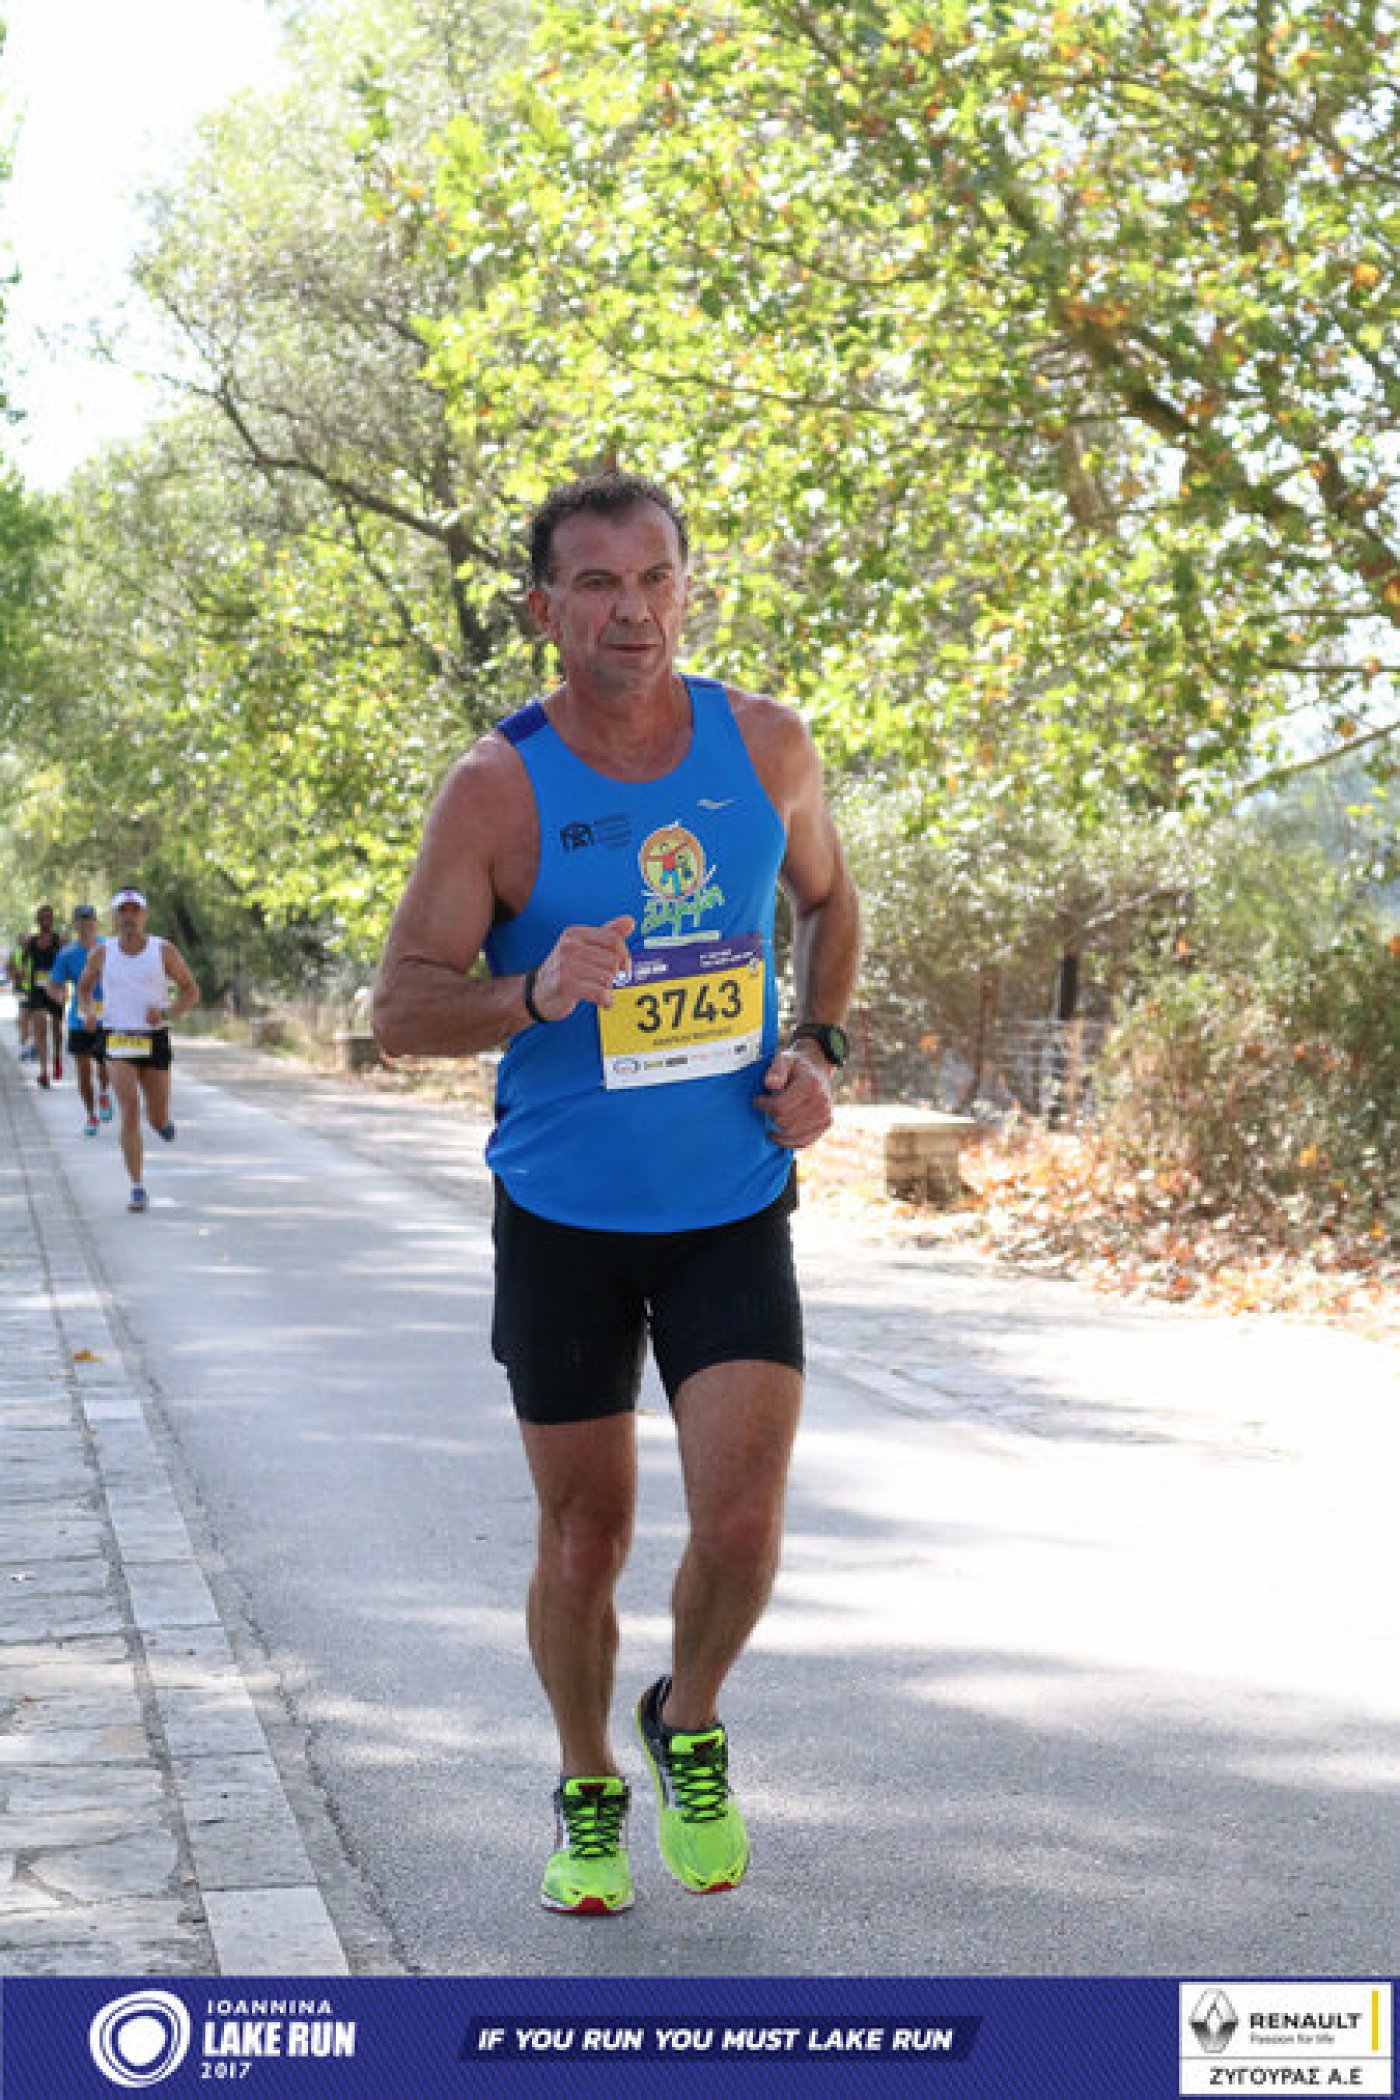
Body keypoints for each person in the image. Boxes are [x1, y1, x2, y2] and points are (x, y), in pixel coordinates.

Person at [375, 470, 860, 1916]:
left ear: (687, 593)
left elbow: (828, 899)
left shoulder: (766, 744)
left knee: (743, 1526)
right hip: (565, 1221)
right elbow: (400, 1010)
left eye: (655, 579)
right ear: (545, 610)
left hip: (730, 1200)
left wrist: (820, 1046)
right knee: (585, 1542)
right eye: (596, 584)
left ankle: (685, 1722)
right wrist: (529, 991)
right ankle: (587, 1785)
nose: (631, 611)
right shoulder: (497, 786)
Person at [79, 889, 199, 1213]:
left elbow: (191, 990)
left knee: (155, 1116)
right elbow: (84, 988)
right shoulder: (102, 953)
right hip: (117, 1038)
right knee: (129, 1111)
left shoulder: (163, 951)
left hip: (154, 1038)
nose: (129, 917)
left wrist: (168, 1012)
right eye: (123, 911)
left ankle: (161, 1122)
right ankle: (137, 1186)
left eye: (135, 911)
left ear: (144, 915)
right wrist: (88, 1011)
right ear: (115, 916)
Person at [50, 905, 113, 1136]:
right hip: (79, 1019)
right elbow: (53, 983)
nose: (85, 924)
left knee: (105, 1065)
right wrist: (58, 995)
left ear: (96, 922)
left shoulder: (110, 947)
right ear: (75, 923)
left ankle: (104, 1093)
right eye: (81, 919)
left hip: (107, 1017)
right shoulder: (66, 953)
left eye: (89, 919)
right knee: (84, 1072)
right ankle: (91, 1116)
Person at [21, 906, 66, 1089]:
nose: (47, 920)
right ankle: (43, 1072)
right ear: (38, 920)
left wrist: (64, 987)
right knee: (40, 1029)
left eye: (49, 917)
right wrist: (22, 971)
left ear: (53, 920)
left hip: (55, 988)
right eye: (43, 917)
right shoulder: (32, 942)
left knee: (56, 1029)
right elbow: (24, 961)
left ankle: (57, 1057)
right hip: (38, 991)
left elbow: (65, 962)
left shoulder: (59, 940)